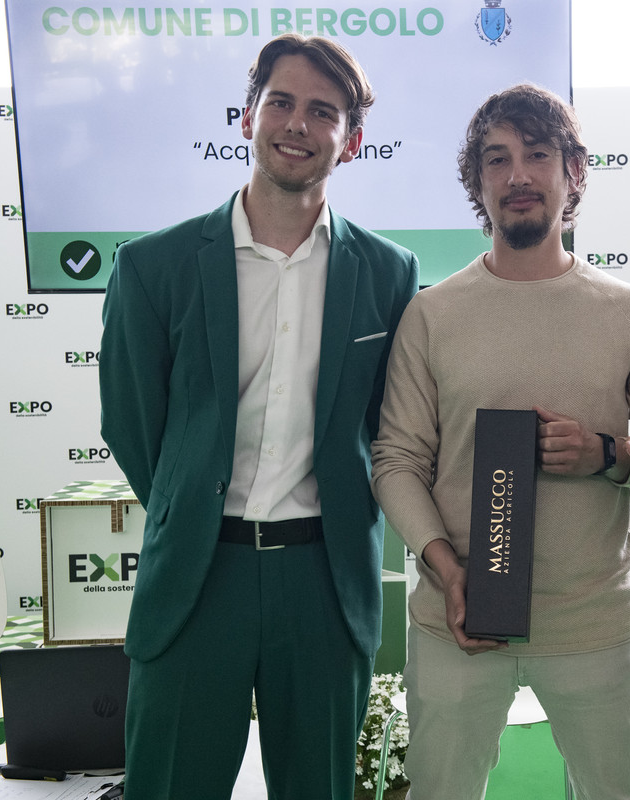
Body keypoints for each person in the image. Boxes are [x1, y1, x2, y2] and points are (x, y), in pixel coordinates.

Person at [98, 34, 418, 800]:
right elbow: (134, 425)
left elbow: (389, 429)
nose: (298, 124)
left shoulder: (388, 272)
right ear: (247, 118)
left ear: (352, 141)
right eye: (281, 102)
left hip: (324, 580)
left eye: (323, 111)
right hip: (197, 577)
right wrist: (189, 507)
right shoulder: (154, 266)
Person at [370, 83, 630, 800]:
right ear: (477, 182)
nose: (517, 174)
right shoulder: (431, 314)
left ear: (573, 172)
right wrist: (447, 569)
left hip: (592, 623)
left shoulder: (628, 312)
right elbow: (396, 460)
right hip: (457, 618)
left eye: (538, 154)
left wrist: (607, 456)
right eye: (497, 158)